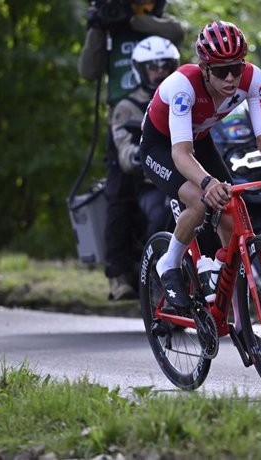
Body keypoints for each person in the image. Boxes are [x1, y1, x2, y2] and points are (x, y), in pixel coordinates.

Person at [138, 20, 261, 318]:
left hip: (200, 139)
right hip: (162, 146)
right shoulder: (183, 85)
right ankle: (170, 262)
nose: (230, 78)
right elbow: (180, 154)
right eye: (220, 70)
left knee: (232, 214)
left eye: (235, 68)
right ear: (204, 67)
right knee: (199, 200)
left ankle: (235, 313)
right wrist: (207, 183)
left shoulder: (253, 78)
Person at [78, 0, 187, 300]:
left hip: (165, 111)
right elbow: (88, 71)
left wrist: (132, 18)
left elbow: (179, 31)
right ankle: (118, 273)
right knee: (119, 193)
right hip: (128, 114)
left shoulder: (160, 26)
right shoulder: (110, 33)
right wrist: (98, 27)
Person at [107, 34, 180, 286]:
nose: (160, 72)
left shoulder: (183, 96)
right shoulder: (127, 106)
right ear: (140, 70)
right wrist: (139, 154)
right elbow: (124, 150)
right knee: (163, 216)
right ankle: (158, 285)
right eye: (153, 67)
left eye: (166, 66)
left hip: (189, 175)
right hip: (151, 183)